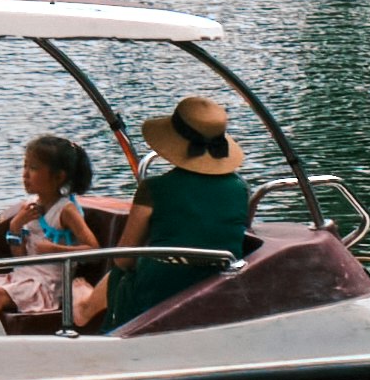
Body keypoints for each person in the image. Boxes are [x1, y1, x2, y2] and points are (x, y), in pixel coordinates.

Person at [83, 100, 261, 335]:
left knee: (117, 277)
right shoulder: (240, 188)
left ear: (175, 141)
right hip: (217, 283)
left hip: (160, 290)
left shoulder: (154, 188)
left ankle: (85, 320)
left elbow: (124, 259)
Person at [0, 132, 116, 332]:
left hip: (47, 286)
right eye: (25, 166)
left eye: (33, 168)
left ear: (59, 177)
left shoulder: (65, 210)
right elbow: (20, 257)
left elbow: (93, 251)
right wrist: (15, 226)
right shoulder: (30, 207)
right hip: (22, 276)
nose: (25, 174)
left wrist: (54, 249)